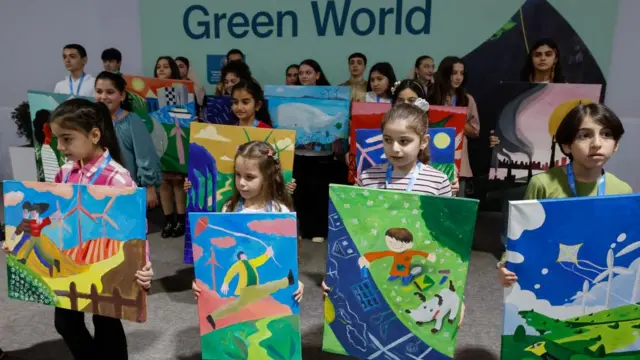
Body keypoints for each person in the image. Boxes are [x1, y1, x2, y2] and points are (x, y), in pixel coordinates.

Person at [14, 98, 153, 359]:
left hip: (105, 260)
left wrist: (143, 264)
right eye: (57, 139)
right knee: (65, 323)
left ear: (94, 135)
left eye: (67, 139)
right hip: (69, 257)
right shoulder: (64, 173)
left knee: (107, 323)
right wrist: (17, 232)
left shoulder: (117, 177)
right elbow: (54, 212)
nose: (60, 146)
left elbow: (136, 226)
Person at [324, 103, 465, 326]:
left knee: (416, 318)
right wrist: (337, 274)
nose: (395, 149)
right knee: (377, 321)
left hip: (420, 270)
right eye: (388, 140)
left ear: (424, 142)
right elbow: (355, 230)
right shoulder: (368, 177)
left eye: (404, 141)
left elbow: (448, 239)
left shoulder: (437, 181)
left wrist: (457, 292)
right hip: (378, 269)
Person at [498, 103, 630, 287]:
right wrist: (506, 264)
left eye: (607, 134)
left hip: (596, 275)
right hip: (549, 273)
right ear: (567, 146)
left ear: (616, 144)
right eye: (585, 135)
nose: (597, 143)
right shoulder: (543, 184)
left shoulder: (622, 191)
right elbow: (522, 234)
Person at [192, 142, 304, 308]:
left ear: (268, 177)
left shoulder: (279, 211)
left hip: (267, 286)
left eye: (249, 177)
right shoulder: (228, 209)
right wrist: (201, 280)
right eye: (238, 175)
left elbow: (286, 255)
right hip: (238, 291)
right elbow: (219, 252)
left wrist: (297, 282)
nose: (242, 183)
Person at [94, 71, 161, 208]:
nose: (103, 97)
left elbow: (145, 155)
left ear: (122, 95)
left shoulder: (132, 121)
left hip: (126, 190)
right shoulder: (90, 122)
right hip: (97, 189)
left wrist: (150, 187)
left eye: (110, 92)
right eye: (99, 91)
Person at [293, 59, 337, 243]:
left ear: (317, 75)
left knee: (319, 194)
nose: (304, 76)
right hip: (299, 155)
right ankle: (303, 230)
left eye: (308, 72)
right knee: (300, 193)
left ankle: (319, 230)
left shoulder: (331, 98)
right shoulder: (291, 97)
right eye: (301, 73)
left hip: (322, 157)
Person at [429, 56, 480, 197]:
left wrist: (455, 118)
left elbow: (475, 131)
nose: (458, 77)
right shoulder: (431, 97)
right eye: (454, 73)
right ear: (445, 74)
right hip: (433, 158)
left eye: (462, 73)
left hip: (459, 161)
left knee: (457, 208)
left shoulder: (467, 99)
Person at [154, 56, 186, 238]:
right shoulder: (151, 93)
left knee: (178, 182)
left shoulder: (181, 90)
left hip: (176, 140)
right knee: (163, 183)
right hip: (157, 140)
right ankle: (168, 221)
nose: (161, 70)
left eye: (166, 66)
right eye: (158, 67)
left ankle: (181, 220)